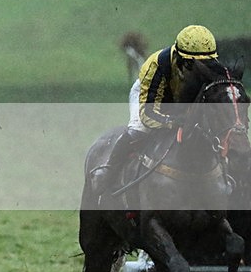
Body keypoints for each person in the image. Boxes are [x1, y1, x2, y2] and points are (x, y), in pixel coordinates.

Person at [92, 24, 222, 193]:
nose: (201, 68)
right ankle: (108, 173)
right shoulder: (158, 65)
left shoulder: (209, 65)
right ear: (180, 57)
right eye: (194, 63)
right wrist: (172, 122)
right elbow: (148, 114)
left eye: (206, 62)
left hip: (180, 98)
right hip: (149, 98)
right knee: (138, 130)